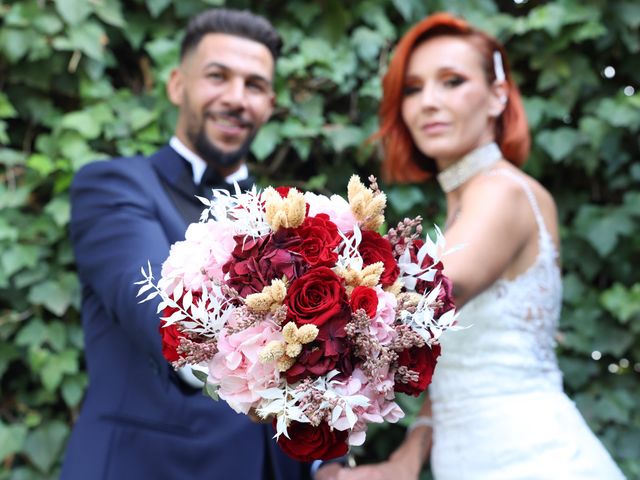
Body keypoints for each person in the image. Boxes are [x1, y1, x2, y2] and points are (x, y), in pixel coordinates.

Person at [330, 12, 625, 480]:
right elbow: (453, 372)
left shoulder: (501, 192)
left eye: (452, 82)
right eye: (412, 88)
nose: (428, 102)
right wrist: (406, 460)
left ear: (497, 96)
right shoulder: (467, 203)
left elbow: (420, 304)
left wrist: (289, 300)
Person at [61, 8, 310, 480]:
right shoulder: (114, 187)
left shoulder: (295, 220)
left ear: (270, 103)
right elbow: (162, 311)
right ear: (177, 85)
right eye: (218, 76)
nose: (236, 98)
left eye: (254, 85)